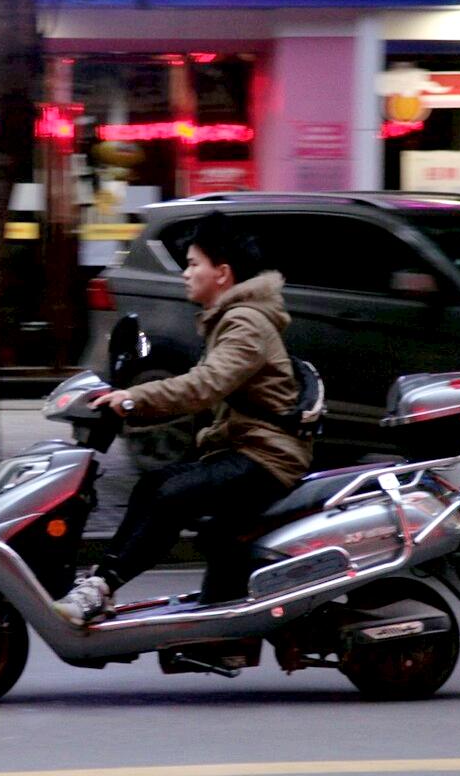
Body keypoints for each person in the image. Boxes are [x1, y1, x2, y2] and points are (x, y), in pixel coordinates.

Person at [51, 211, 313, 625]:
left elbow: (204, 385)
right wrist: (129, 406)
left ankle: (100, 588)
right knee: (153, 484)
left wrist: (134, 400)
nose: (186, 274)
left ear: (222, 274)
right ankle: (102, 585)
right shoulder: (231, 318)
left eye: (193, 265)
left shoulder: (245, 323)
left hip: (265, 458)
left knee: (171, 496)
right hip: (244, 447)